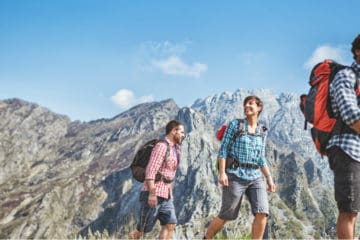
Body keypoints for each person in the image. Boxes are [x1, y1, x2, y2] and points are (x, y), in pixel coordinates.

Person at [205, 95, 275, 240]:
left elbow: (261, 157)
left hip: (255, 177)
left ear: (259, 108)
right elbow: (223, 149)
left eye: (251, 103)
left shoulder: (263, 131)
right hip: (235, 176)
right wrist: (222, 172)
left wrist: (269, 178)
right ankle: (207, 238)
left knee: (262, 211)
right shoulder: (235, 125)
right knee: (226, 214)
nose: (247, 106)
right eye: (245, 104)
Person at [326, 34, 360, 239]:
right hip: (347, 149)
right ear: (358, 51)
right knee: (348, 210)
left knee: (354, 209)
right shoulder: (346, 76)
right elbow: (351, 116)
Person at [129, 120, 185, 240]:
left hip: (166, 195)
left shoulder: (176, 149)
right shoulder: (161, 146)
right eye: (181, 132)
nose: (183, 135)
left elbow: (169, 174)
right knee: (142, 230)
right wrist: (152, 194)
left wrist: (170, 193)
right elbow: (150, 170)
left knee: (170, 224)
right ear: (173, 131)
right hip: (153, 193)